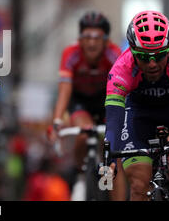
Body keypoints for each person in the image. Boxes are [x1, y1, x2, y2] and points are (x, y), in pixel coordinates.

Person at [48, 11, 125, 199]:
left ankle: (109, 184)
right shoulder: (71, 54)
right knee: (84, 132)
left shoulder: (115, 54)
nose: (91, 42)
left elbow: (123, 91)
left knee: (112, 154)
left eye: (97, 37)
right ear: (79, 39)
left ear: (107, 41)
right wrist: (57, 121)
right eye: (86, 37)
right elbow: (64, 90)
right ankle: (82, 173)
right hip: (80, 101)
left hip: (106, 102)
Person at [105, 10, 169, 201]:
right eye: (145, 57)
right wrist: (111, 158)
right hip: (139, 115)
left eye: (159, 55)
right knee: (139, 183)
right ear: (132, 51)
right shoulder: (122, 68)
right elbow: (114, 120)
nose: (153, 64)